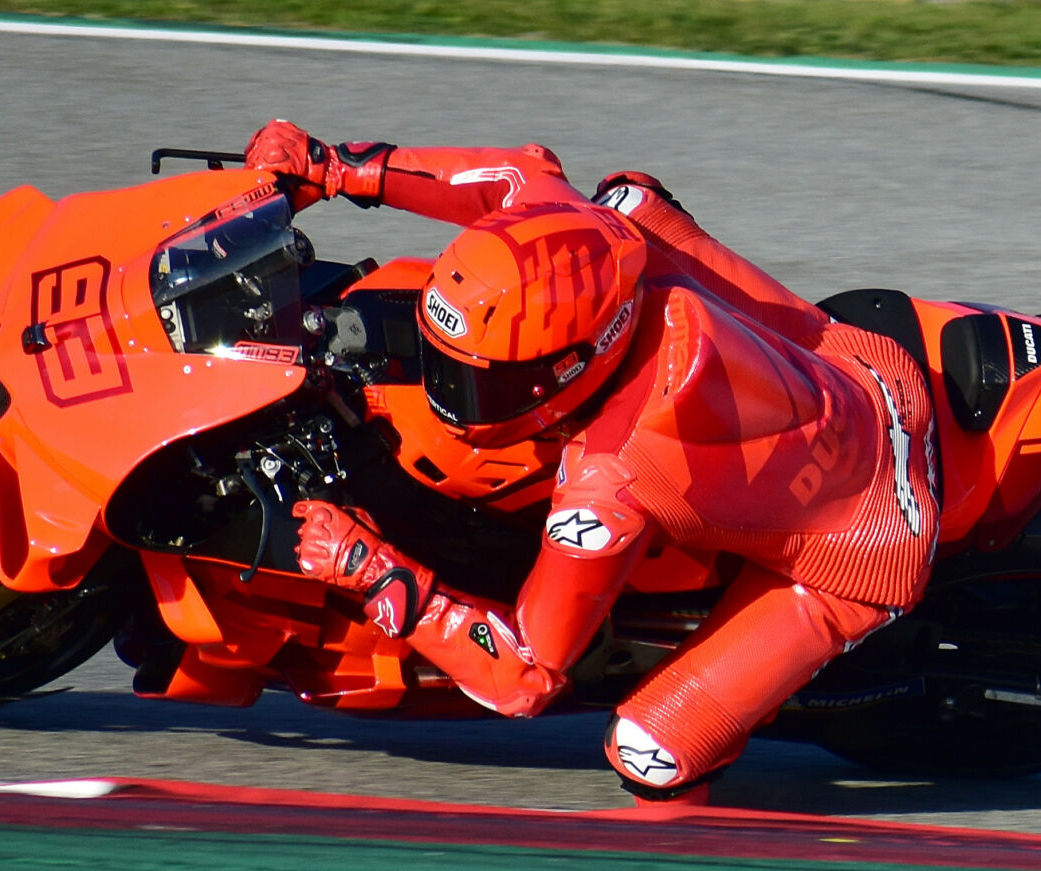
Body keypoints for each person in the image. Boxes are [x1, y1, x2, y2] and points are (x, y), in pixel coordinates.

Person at [245, 120, 940, 802]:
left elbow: (524, 677)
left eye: (485, 384)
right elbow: (515, 175)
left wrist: (376, 573)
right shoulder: (584, 241)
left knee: (650, 754)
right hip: (861, 365)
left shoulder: (610, 480)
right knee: (630, 202)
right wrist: (335, 166)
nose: (456, 397)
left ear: (576, 362)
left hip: (866, 541)